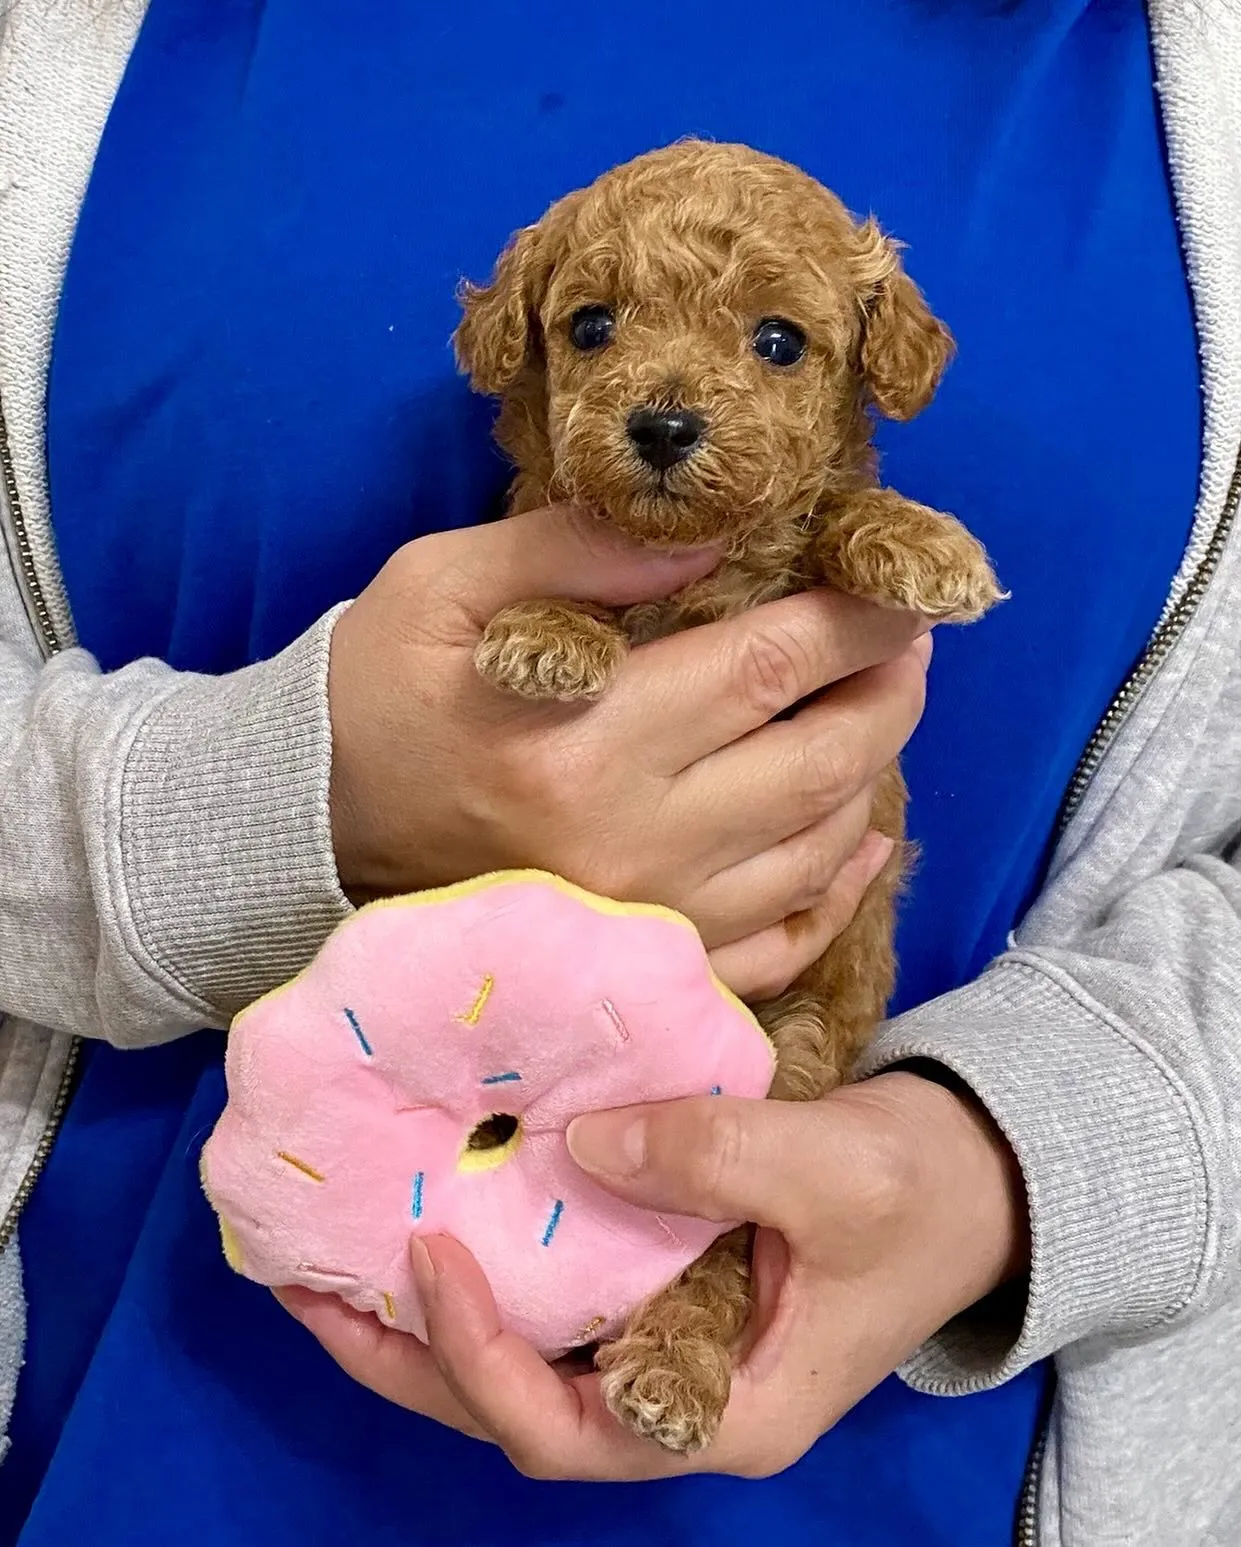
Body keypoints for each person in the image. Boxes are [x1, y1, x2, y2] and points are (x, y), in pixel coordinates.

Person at [0, 0, 1236, 1542]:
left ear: (863, 351)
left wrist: (1010, 1154)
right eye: (595, 330)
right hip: (167, 1383)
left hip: (934, 1440)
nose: (662, 395)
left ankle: (689, 1312)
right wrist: (283, 805)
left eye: (775, 344)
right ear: (522, 332)